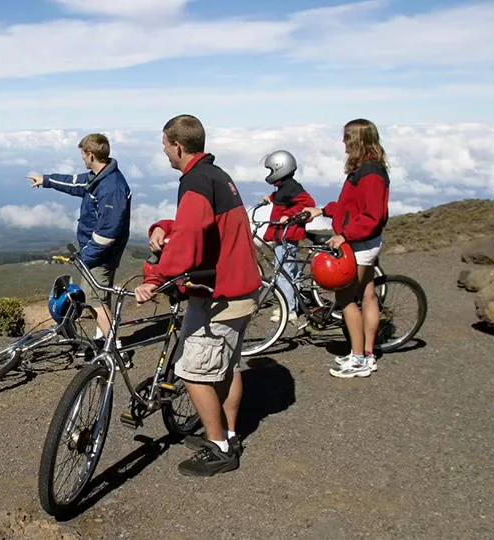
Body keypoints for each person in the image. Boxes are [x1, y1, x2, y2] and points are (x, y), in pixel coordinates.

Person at [134, 114, 261, 477]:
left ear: (177, 145)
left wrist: (155, 278)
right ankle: (230, 433)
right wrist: (163, 226)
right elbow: (205, 228)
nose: (164, 154)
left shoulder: (195, 182)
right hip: (239, 289)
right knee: (228, 367)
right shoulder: (216, 177)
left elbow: (189, 240)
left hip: (219, 294)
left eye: (164, 147)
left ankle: (219, 448)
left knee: (193, 372)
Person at [303, 118, 390, 378]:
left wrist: (345, 235)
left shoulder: (370, 173)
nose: (343, 143)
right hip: (363, 242)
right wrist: (324, 210)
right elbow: (351, 207)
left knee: (346, 298)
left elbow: (372, 216)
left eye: (347, 138)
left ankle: (359, 358)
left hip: (360, 244)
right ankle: (367, 354)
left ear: (357, 140)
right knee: (367, 296)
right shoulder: (365, 168)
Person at [27, 133, 132, 345]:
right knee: (99, 299)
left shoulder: (111, 187)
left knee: (95, 302)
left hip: (100, 256)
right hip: (95, 253)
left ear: (91, 155)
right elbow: (74, 183)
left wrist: (85, 256)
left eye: (83, 155)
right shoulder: (99, 177)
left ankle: (115, 350)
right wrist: (46, 180)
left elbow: (107, 232)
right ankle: (103, 342)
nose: (82, 159)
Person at [259, 150, 316, 324]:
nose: (270, 174)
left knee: (283, 273)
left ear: (280, 168)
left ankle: (289, 310)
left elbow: (308, 204)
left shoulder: (291, 188)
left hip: (287, 235)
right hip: (284, 234)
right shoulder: (287, 187)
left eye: (271, 170)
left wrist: (289, 216)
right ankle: (293, 304)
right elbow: (285, 198)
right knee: (290, 271)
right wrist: (271, 198)